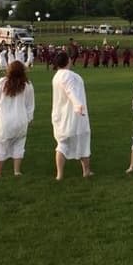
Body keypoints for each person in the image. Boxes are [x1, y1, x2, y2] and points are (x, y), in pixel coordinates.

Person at [0, 60, 35, 177]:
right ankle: (17, 171)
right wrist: (30, 118)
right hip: (20, 119)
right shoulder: (27, 85)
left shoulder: (2, 82)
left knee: (0, 145)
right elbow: (30, 104)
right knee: (19, 145)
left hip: (4, 119)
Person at [51, 51, 93, 180]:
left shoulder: (56, 76)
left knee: (62, 144)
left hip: (60, 115)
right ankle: (86, 171)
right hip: (74, 115)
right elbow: (70, 91)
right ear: (68, 61)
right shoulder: (70, 76)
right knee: (82, 142)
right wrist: (77, 104)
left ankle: (60, 174)